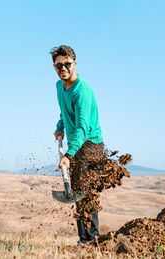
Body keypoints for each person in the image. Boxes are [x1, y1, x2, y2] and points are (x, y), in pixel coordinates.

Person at [51, 45, 104, 244]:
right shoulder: (59, 86)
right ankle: (83, 239)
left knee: (85, 192)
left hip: (90, 144)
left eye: (67, 64)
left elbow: (82, 127)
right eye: (58, 65)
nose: (63, 68)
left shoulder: (82, 91)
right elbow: (64, 112)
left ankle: (92, 239)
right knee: (77, 192)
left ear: (75, 64)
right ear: (54, 67)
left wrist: (69, 155)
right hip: (75, 142)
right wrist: (60, 127)